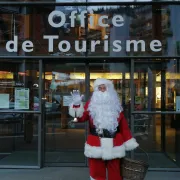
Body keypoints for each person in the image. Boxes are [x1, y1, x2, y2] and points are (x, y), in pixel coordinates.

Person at [69, 78, 139, 180]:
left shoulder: (116, 105)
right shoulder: (90, 104)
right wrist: (76, 105)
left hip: (115, 144)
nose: (102, 90)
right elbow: (80, 118)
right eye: (99, 88)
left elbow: (124, 127)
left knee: (115, 174)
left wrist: (128, 140)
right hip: (96, 144)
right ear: (96, 90)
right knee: (96, 173)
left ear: (109, 89)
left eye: (104, 88)